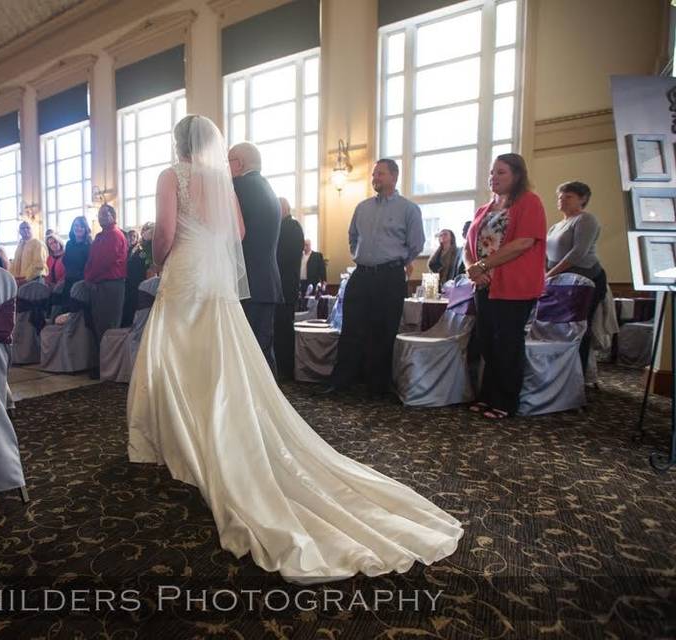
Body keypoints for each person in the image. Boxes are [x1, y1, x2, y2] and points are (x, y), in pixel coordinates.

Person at [127, 115, 462, 583]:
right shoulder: (223, 181)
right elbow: (239, 234)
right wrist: (206, 239)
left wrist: (163, 257)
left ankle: (180, 440)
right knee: (220, 357)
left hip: (185, 271)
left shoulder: (171, 176)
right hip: (215, 276)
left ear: (177, 144)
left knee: (174, 358)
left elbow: (162, 233)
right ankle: (215, 429)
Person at [320, 159, 424, 397]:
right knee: (351, 329)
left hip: (390, 277)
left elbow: (416, 245)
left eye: (381, 174)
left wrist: (395, 261)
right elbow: (352, 237)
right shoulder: (362, 207)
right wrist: (362, 255)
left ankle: (376, 387)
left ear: (394, 177)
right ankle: (341, 382)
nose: (375, 178)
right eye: (374, 174)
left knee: (383, 331)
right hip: (362, 275)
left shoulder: (408, 209)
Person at [464, 153, 546, 420]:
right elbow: (468, 247)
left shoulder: (529, 203)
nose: (493, 178)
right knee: (487, 341)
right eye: (491, 172)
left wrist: (484, 266)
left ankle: (506, 400)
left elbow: (523, 242)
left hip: (514, 284)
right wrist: (472, 269)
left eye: (501, 173)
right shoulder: (483, 209)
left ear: (517, 176)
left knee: (507, 343)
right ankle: (487, 395)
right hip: (484, 284)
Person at [229, 141, 282, 374]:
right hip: (267, 282)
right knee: (263, 350)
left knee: (246, 353)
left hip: (246, 283)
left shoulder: (237, 187)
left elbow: (231, 234)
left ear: (238, 164)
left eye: (227, 161)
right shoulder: (267, 188)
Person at [546, 181, 606, 368]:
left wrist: (549, 275)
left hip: (584, 280)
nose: (562, 200)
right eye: (560, 197)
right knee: (558, 326)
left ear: (583, 199)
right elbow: (546, 254)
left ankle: (577, 369)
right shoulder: (556, 226)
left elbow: (577, 253)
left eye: (568, 196)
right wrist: (545, 273)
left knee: (578, 326)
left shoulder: (586, 219)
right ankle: (560, 368)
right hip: (559, 281)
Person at [84, 203, 128, 378]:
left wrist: (91, 277)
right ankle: (101, 364)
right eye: (99, 214)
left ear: (113, 216)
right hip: (98, 284)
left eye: (105, 214)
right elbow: (91, 260)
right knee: (99, 326)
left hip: (111, 285)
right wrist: (88, 277)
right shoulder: (100, 236)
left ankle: (109, 367)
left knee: (109, 327)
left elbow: (106, 261)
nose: (101, 217)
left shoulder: (116, 235)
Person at [275, 196, 304, 381]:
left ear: (285, 209)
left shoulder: (292, 227)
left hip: (286, 286)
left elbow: (286, 256)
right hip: (281, 285)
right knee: (278, 327)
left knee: (284, 327)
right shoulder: (282, 227)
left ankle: (286, 367)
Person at [60, 216, 92, 303]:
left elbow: (90, 267)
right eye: (76, 226)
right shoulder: (69, 244)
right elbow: (65, 262)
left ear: (86, 229)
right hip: (68, 280)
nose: (78, 228)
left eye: (81, 226)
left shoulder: (89, 245)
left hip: (82, 283)